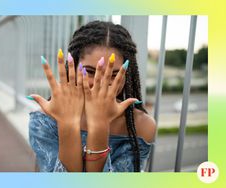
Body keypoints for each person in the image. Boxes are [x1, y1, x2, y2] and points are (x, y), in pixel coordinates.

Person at [27, 20, 156, 172]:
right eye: (90, 71)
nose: (100, 82)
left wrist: (99, 125)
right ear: (73, 67)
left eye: (113, 74)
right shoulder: (45, 121)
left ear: (127, 75)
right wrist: (68, 124)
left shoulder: (141, 125)